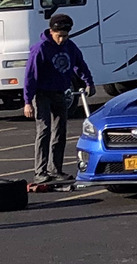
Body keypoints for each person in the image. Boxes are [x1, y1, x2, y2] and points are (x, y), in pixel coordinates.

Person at [24, 11, 96, 191]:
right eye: (59, 36)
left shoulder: (70, 46)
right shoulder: (40, 49)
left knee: (60, 131)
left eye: (65, 35)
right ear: (51, 31)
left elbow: (80, 64)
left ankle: (55, 169)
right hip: (41, 94)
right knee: (44, 130)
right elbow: (30, 77)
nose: (62, 39)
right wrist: (27, 101)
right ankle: (40, 172)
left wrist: (89, 82)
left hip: (60, 93)